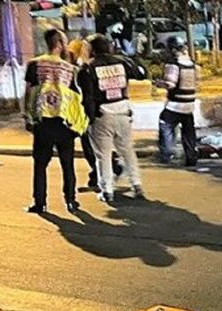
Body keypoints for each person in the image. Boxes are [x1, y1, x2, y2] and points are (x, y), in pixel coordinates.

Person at [23, 29, 89, 214]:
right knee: (67, 164)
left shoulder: (35, 64)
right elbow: (76, 98)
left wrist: (27, 116)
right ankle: (70, 201)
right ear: (59, 43)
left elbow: (28, 92)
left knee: (40, 165)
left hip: (43, 121)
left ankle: (40, 203)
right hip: (64, 122)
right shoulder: (70, 69)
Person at [77, 34, 147, 203]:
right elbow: (141, 73)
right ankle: (136, 184)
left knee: (103, 155)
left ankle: (107, 190)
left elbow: (88, 97)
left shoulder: (88, 68)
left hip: (103, 114)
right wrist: (134, 56)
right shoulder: (122, 62)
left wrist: (90, 118)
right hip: (123, 110)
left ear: (91, 49)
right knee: (127, 151)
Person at [67, 36, 123, 190]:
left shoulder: (85, 68)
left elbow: (86, 94)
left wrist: (90, 116)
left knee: (91, 146)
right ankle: (98, 174)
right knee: (94, 146)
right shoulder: (86, 67)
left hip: (89, 113)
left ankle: (106, 172)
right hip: (93, 111)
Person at [157, 36, 198, 167]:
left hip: (175, 104)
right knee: (188, 132)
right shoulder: (192, 64)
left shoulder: (173, 65)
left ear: (173, 49)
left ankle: (166, 155)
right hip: (190, 104)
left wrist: (159, 83)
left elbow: (171, 84)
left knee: (165, 125)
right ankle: (191, 157)